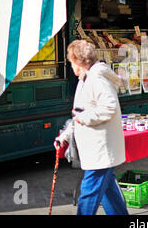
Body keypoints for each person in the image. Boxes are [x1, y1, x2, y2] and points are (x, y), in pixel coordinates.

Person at [55, 39, 128, 215]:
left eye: (71, 62)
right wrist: (65, 135)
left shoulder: (96, 79)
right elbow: (79, 113)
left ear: (78, 62)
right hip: (97, 148)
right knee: (108, 192)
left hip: (100, 148)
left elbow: (107, 108)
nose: (71, 66)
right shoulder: (86, 78)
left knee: (88, 194)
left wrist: (83, 119)